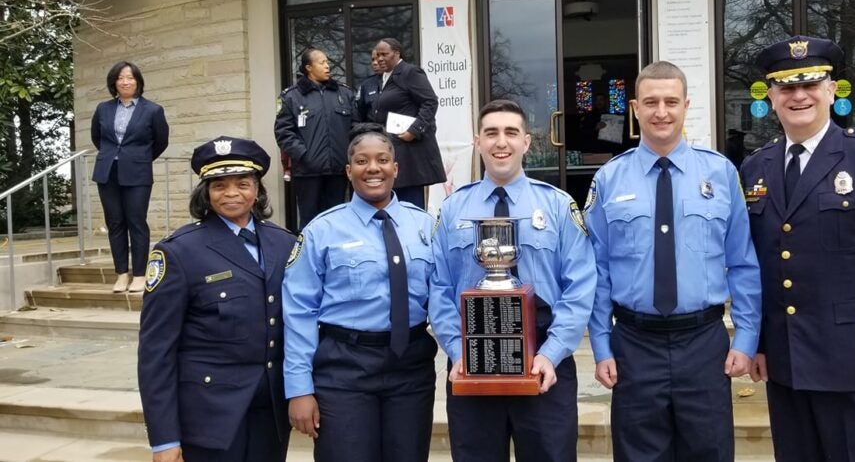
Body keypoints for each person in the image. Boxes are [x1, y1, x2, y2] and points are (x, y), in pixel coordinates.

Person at [740, 36, 855, 462]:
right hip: (787, 365)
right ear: (770, 97)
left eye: (811, 84)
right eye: (786, 87)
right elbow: (762, 265)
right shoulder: (756, 167)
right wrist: (760, 343)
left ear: (832, 90)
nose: (799, 96)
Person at [586, 61, 761, 461]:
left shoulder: (720, 173)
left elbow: (743, 262)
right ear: (634, 107)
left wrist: (747, 338)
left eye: (670, 101)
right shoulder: (609, 180)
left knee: (710, 452)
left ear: (686, 105)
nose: (660, 112)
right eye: (650, 102)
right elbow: (597, 269)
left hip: (704, 344)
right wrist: (601, 344)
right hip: (633, 344)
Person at [430, 99, 596, 461]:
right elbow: (439, 288)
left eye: (510, 132)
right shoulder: (454, 208)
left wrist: (552, 354)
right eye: (491, 133)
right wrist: (459, 353)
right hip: (472, 356)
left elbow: (580, 286)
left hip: (544, 357)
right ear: (478, 142)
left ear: (526, 142)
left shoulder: (557, 205)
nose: (500, 142)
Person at [283, 130, 438, 462]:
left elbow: (444, 297)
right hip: (344, 369)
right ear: (348, 170)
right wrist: (299, 388)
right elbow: (299, 312)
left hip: (410, 368)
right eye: (362, 161)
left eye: (382, 160)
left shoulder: (426, 227)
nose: (373, 168)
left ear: (396, 168)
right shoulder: (321, 230)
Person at [137, 136, 295, 462]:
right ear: (206, 193)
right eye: (219, 185)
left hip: (271, 413)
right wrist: (164, 439)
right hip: (209, 415)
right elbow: (157, 352)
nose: (232, 193)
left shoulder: (285, 243)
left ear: (258, 190)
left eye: (243, 183)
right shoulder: (179, 251)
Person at [90, 61, 169, 293]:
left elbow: (161, 141)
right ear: (114, 82)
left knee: (136, 222)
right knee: (115, 223)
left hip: (138, 173)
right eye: (120, 78)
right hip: (107, 172)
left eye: (130, 78)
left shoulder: (153, 110)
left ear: (138, 82)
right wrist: (113, 156)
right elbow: (98, 138)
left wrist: (139, 158)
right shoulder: (102, 109)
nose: (125, 82)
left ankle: (139, 274)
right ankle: (121, 274)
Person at [274, 47, 357, 230]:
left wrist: (349, 155)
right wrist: (304, 155)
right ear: (309, 67)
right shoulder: (291, 96)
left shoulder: (344, 94)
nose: (328, 66)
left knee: (338, 219)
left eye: (328, 62)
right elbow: (283, 131)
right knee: (310, 222)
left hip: (339, 170)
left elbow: (356, 127)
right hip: (307, 171)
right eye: (322, 63)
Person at [365, 38, 446, 208]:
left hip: (409, 152)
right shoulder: (385, 78)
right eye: (377, 55)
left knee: (409, 204)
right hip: (393, 148)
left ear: (396, 53)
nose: (379, 59)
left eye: (384, 54)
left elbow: (430, 102)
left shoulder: (410, 72)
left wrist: (415, 130)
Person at [355, 50, 386, 121]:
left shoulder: (400, 80)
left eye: (378, 59)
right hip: (373, 129)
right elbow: (360, 113)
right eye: (373, 60)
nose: (375, 63)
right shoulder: (366, 85)